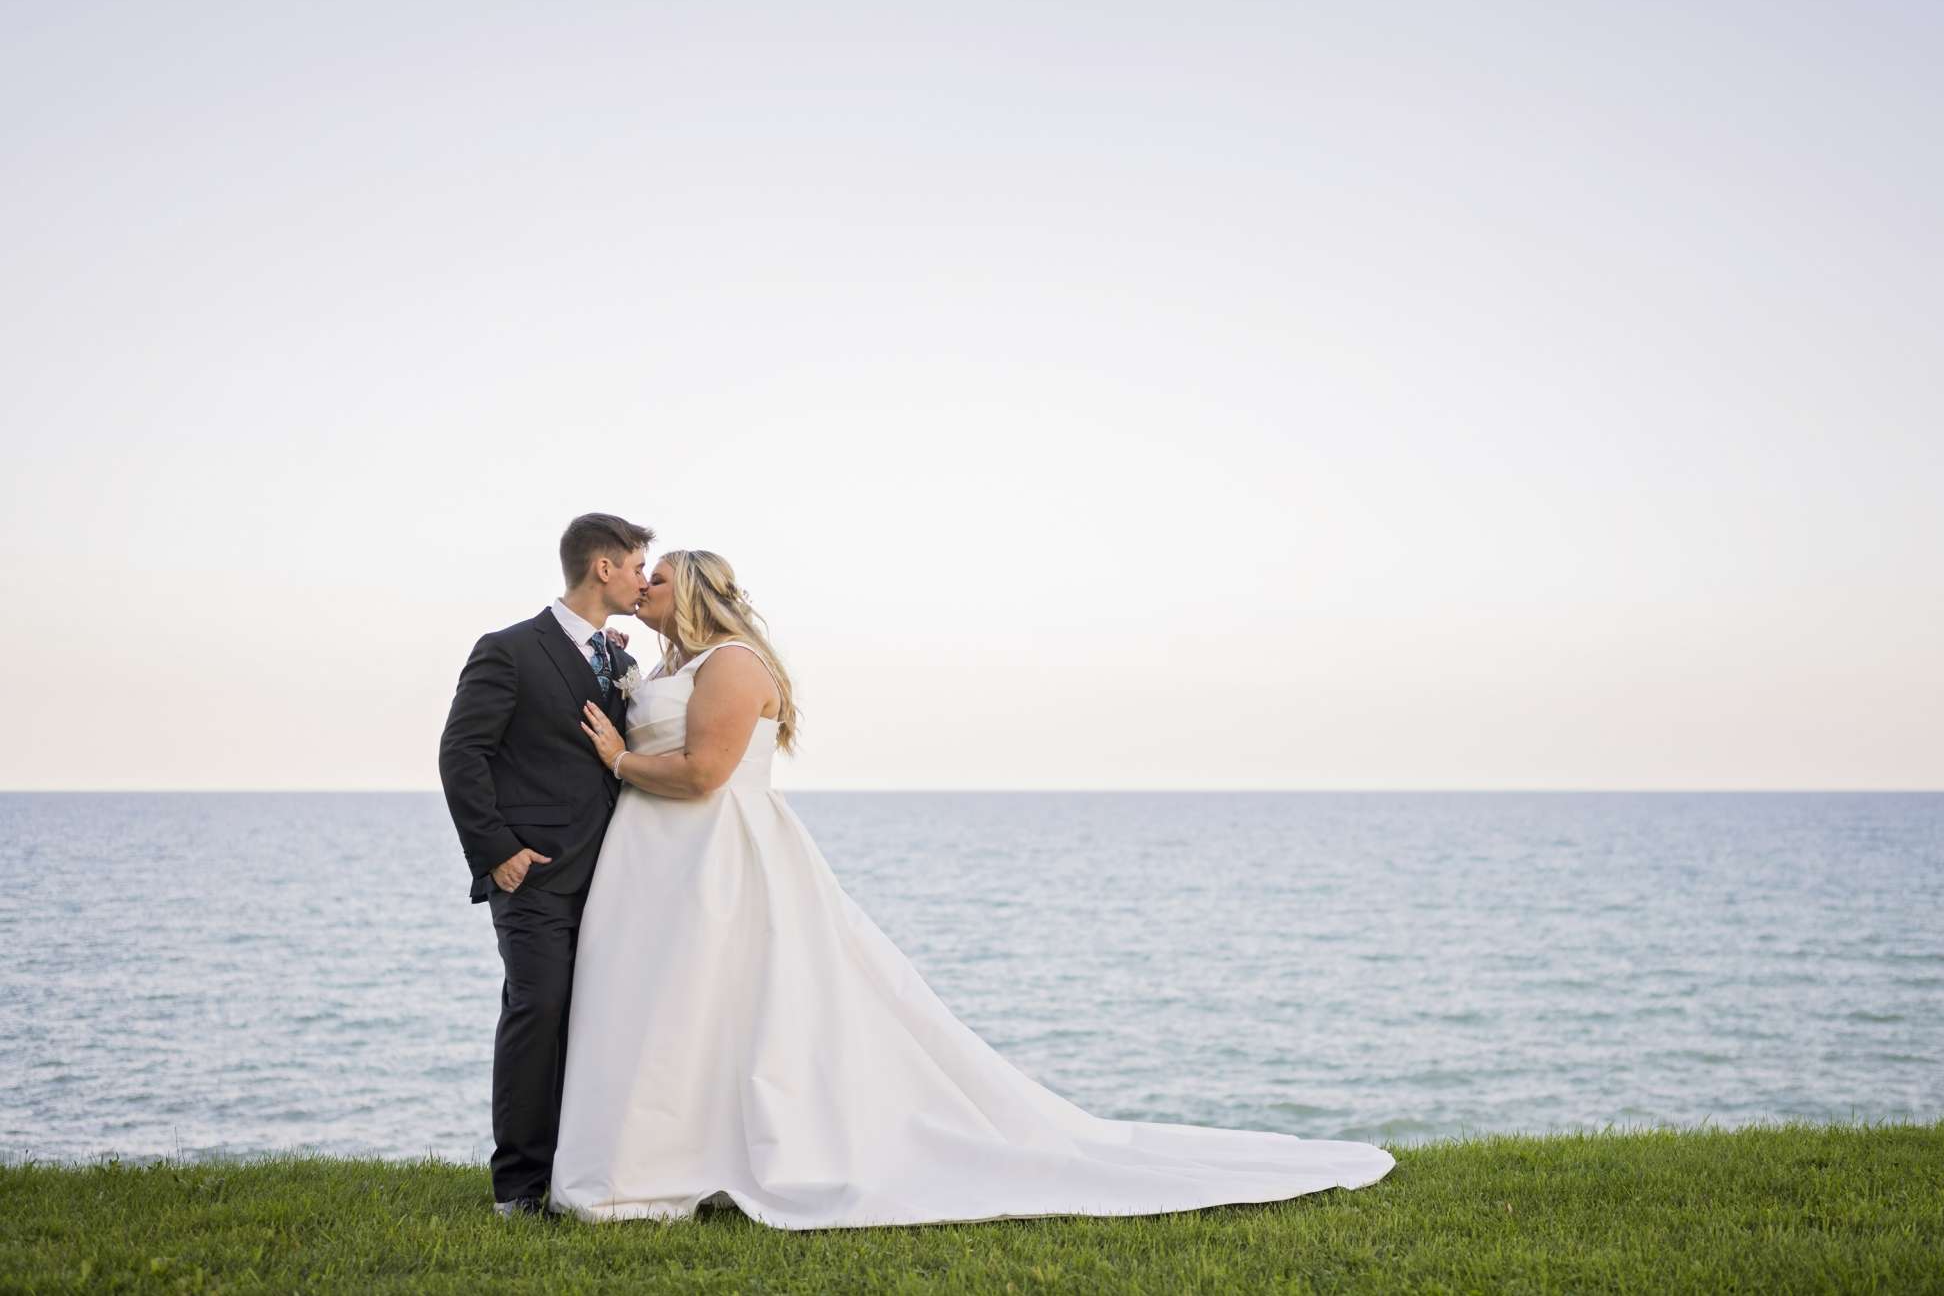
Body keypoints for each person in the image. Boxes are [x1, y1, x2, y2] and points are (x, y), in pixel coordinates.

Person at [550, 548, 1395, 1227]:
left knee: (728, 1007)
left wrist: (618, 759)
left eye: (657, 577)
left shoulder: (732, 665)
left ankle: (729, 1157)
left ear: (692, 590)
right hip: (661, 864)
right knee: (674, 1012)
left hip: (718, 863)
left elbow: (703, 774)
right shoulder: (672, 661)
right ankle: (667, 1156)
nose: (643, 586)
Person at [438, 512, 653, 1216]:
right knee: (539, 1008)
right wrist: (497, 851)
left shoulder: (620, 664)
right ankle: (519, 1188)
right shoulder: (508, 650)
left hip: (614, 877)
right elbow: (461, 753)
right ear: (603, 567)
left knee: (596, 1019)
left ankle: (579, 1168)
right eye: (637, 566)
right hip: (532, 876)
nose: (642, 580)